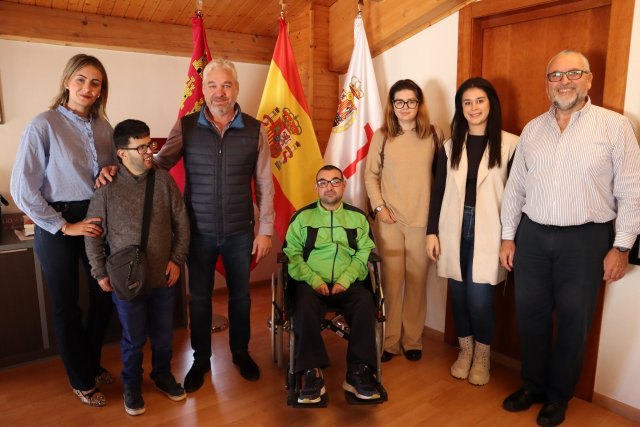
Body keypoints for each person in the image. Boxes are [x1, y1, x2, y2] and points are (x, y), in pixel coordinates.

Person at [500, 50, 640, 427]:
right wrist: (507, 237)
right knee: (529, 317)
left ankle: (558, 396)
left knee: (575, 322)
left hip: (585, 241)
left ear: (588, 79)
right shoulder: (532, 130)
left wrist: (622, 246)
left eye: (573, 73)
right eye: (556, 75)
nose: (564, 81)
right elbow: (515, 190)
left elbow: (632, 191)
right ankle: (532, 385)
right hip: (532, 237)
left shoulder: (615, 127)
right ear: (547, 84)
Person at [154, 57, 275, 390]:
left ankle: (240, 352)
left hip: (240, 232)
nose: (219, 92)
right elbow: (160, 163)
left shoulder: (254, 129)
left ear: (236, 88)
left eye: (226, 85)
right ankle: (201, 359)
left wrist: (265, 230)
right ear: (203, 89)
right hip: (197, 232)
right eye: (212, 85)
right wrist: (122, 165)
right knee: (200, 299)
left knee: (241, 298)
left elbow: (264, 182)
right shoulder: (187, 126)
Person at [10, 54, 117, 406]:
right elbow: (22, 189)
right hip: (57, 223)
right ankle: (81, 379)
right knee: (67, 306)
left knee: (104, 295)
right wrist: (64, 226)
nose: (88, 88)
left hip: (96, 218)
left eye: (96, 82)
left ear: (102, 90)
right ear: (68, 82)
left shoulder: (105, 127)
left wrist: (108, 172)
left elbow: (112, 169)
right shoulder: (44, 124)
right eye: (81, 79)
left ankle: (90, 362)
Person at [85, 119, 190, 416]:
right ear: (121, 153)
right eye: (141, 147)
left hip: (163, 276)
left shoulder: (163, 181)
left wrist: (177, 259)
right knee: (133, 339)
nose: (149, 152)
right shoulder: (106, 189)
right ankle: (132, 385)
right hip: (125, 279)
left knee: (163, 333)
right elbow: (93, 233)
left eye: (150, 145)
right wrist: (99, 272)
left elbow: (182, 223)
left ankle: (162, 375)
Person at [426, 77, 519, 386]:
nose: (474, 107)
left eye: (480, 100)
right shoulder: (451, 145)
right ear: (460, 108)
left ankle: (482, 355)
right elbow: (437, 192)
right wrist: (431, 232)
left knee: (480, 298)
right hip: (453, 227)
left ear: (490, 103)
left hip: (490, 230)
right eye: (467, 102)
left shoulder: (511, 144)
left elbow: (519, 195)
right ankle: (464, 351)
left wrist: (511, 238)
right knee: (460, 296)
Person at [283, 165, 379, 403]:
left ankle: (358, 373)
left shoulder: (358, 218)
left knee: (366, 302)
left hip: (348, 283)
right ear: (316, 188)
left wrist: (347, 279)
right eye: (323, 182)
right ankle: (311, 372)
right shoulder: (302, 217)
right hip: (311, 282)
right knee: (303, 304)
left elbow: (364, 253)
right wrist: (313, 279)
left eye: (335, 181)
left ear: (343, 185)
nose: (329, 186)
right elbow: (292, 254)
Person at [364, 79, 443, 362]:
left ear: (419, 105)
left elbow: (441, 181)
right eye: (399, 102)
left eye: (411, 101)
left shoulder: (434, 135)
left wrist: (435, 224)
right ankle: (390, 340)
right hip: (390, 221)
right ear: (392, 105)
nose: (405, 107)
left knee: (418, 282)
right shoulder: (382, 136)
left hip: (422, 223)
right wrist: (380, 207)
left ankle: (412, 340)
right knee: (392, 281)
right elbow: (370, 175)